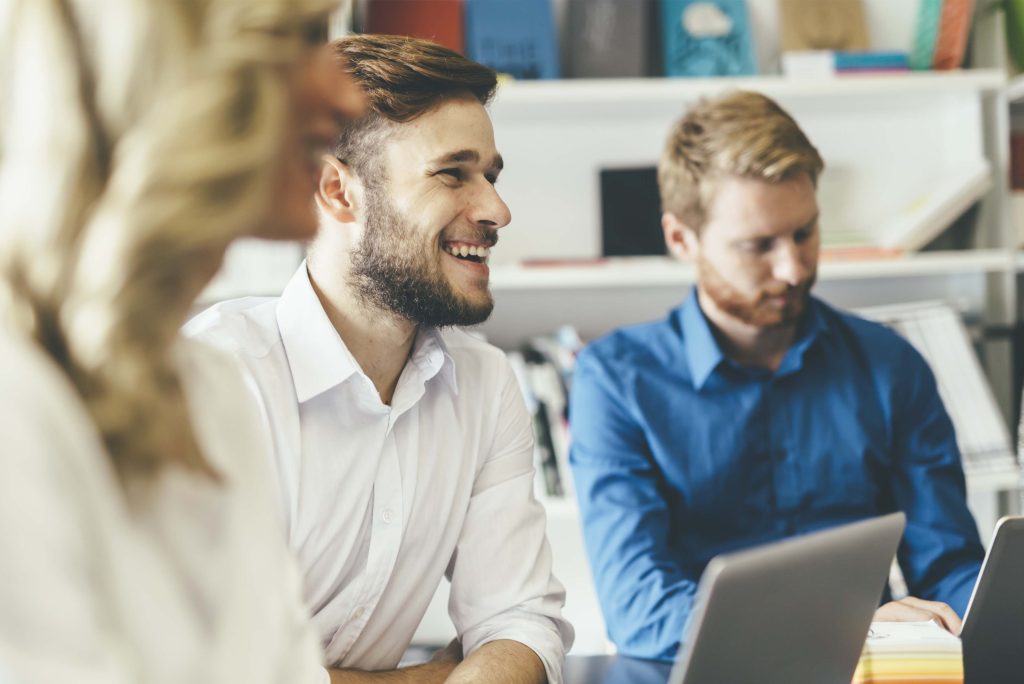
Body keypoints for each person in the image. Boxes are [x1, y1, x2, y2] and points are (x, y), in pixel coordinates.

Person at [186, 34, 573, 684]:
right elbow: (199, 667)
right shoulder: (219, 378)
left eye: (491, 176)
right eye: (454, 172)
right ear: (338, 191)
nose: (497, 210)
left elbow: (522, 622)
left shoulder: (484, 385)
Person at [0, 0, 368, 681]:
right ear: (162, 71)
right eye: (301, 40)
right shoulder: (14, 403)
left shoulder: (211, 391)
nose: (347, 94)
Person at [568, 91, 985, 662]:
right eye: (758, 245)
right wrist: (850, 626)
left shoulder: (891, 365)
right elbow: (640, 606)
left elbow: (947, 566)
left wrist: (985, 606)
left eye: (805, 233)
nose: (792, 268)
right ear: (680, 239)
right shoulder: (616, 382)